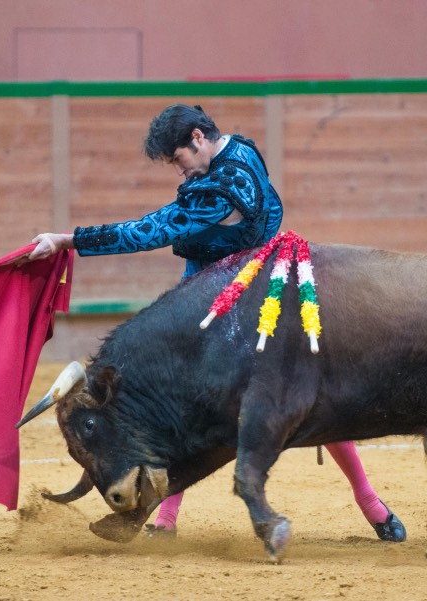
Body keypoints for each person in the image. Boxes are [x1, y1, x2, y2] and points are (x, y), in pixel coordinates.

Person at [26, 104, 406, 543]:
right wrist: (192, 187)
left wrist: (67, 241)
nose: (177, 167)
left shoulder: (221, 186)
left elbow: (148, 231)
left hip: (239, 296)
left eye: (178, 157)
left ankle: (368, 501)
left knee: (297, 395)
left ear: (197, 137)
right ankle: (168, 519)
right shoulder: (240, 149)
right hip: (232, 282)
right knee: (217, 395)